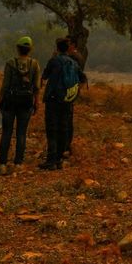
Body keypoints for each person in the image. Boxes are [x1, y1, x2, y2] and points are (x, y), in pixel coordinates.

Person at [0, 35, 40, 174]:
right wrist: (36, 102)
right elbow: (36, 87)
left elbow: (5, 85)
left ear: (17, 48)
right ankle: (18, 163)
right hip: (26, 102)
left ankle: (3, 163)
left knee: (6, 132)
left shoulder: (10, 62)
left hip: (9, 101)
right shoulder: (34, 64)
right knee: (21, 133)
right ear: (30, 49)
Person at [39, 38, 82, 170]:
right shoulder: (74, 63)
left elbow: (45, 76)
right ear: (68, 48)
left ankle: (51, 160)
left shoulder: (54, 61)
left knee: (52, 129)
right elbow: (81, 78)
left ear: (57, 48)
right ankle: (59, 160)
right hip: (67, 100)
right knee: (64, 128)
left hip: (53, 99)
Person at [64, 39, 90, 157]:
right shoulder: (78, 56)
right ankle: (66, 146)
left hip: (67, 92)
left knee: (66, 121)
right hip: (72, 91)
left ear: (73, 45)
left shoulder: (72, 58)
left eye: (68, 44)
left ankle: (65, 147)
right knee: (68, 119)